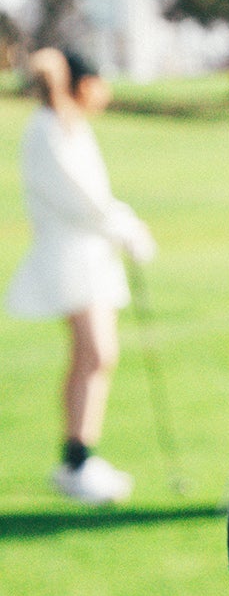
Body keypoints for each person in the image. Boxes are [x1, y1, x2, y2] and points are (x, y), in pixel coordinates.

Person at [8, 48, 154, 505]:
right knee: (95, 354)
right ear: (84, 84)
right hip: (70, 258)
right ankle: (76, 462)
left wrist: (124, 226)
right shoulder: (48, 129)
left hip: (88, 257)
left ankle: (79, 457)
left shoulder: (69, 126)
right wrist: (127, 228)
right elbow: (81, 200)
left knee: (94, 356)